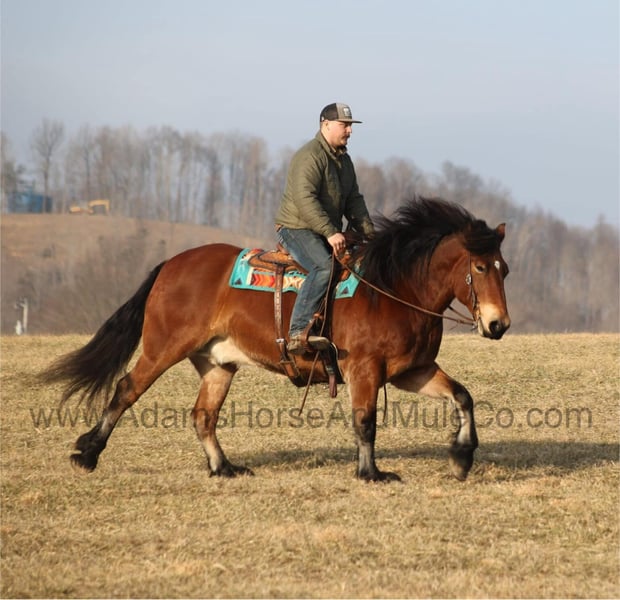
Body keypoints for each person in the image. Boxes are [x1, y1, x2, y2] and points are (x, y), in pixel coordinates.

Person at [275, 102, 374, 355]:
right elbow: (304, 199)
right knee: (325, 267)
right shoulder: (309, 156)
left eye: (350, 126)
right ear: (326, 125)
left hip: (322, 230)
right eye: (344, 125)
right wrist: (330, 232)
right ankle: (298, 332)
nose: (349, 131)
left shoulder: (345, 161)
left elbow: (354, 201)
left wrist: (371, 237)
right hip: (296, 228)